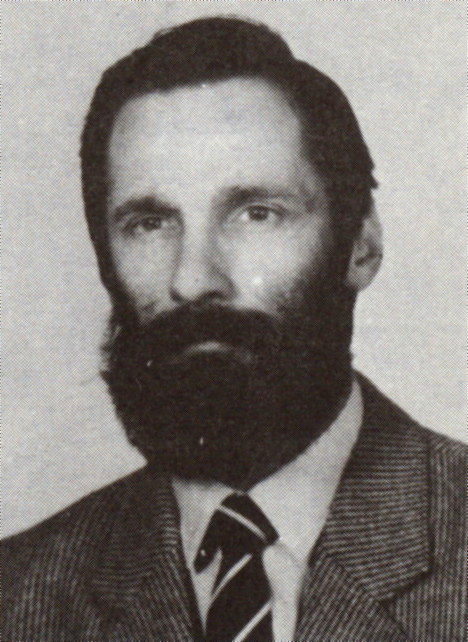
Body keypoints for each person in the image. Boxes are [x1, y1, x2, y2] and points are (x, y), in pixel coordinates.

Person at [2, 17, 465, 642]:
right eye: (149, 224)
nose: (193, 280)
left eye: (256, 214)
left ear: (361, 244)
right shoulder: (16, 596)